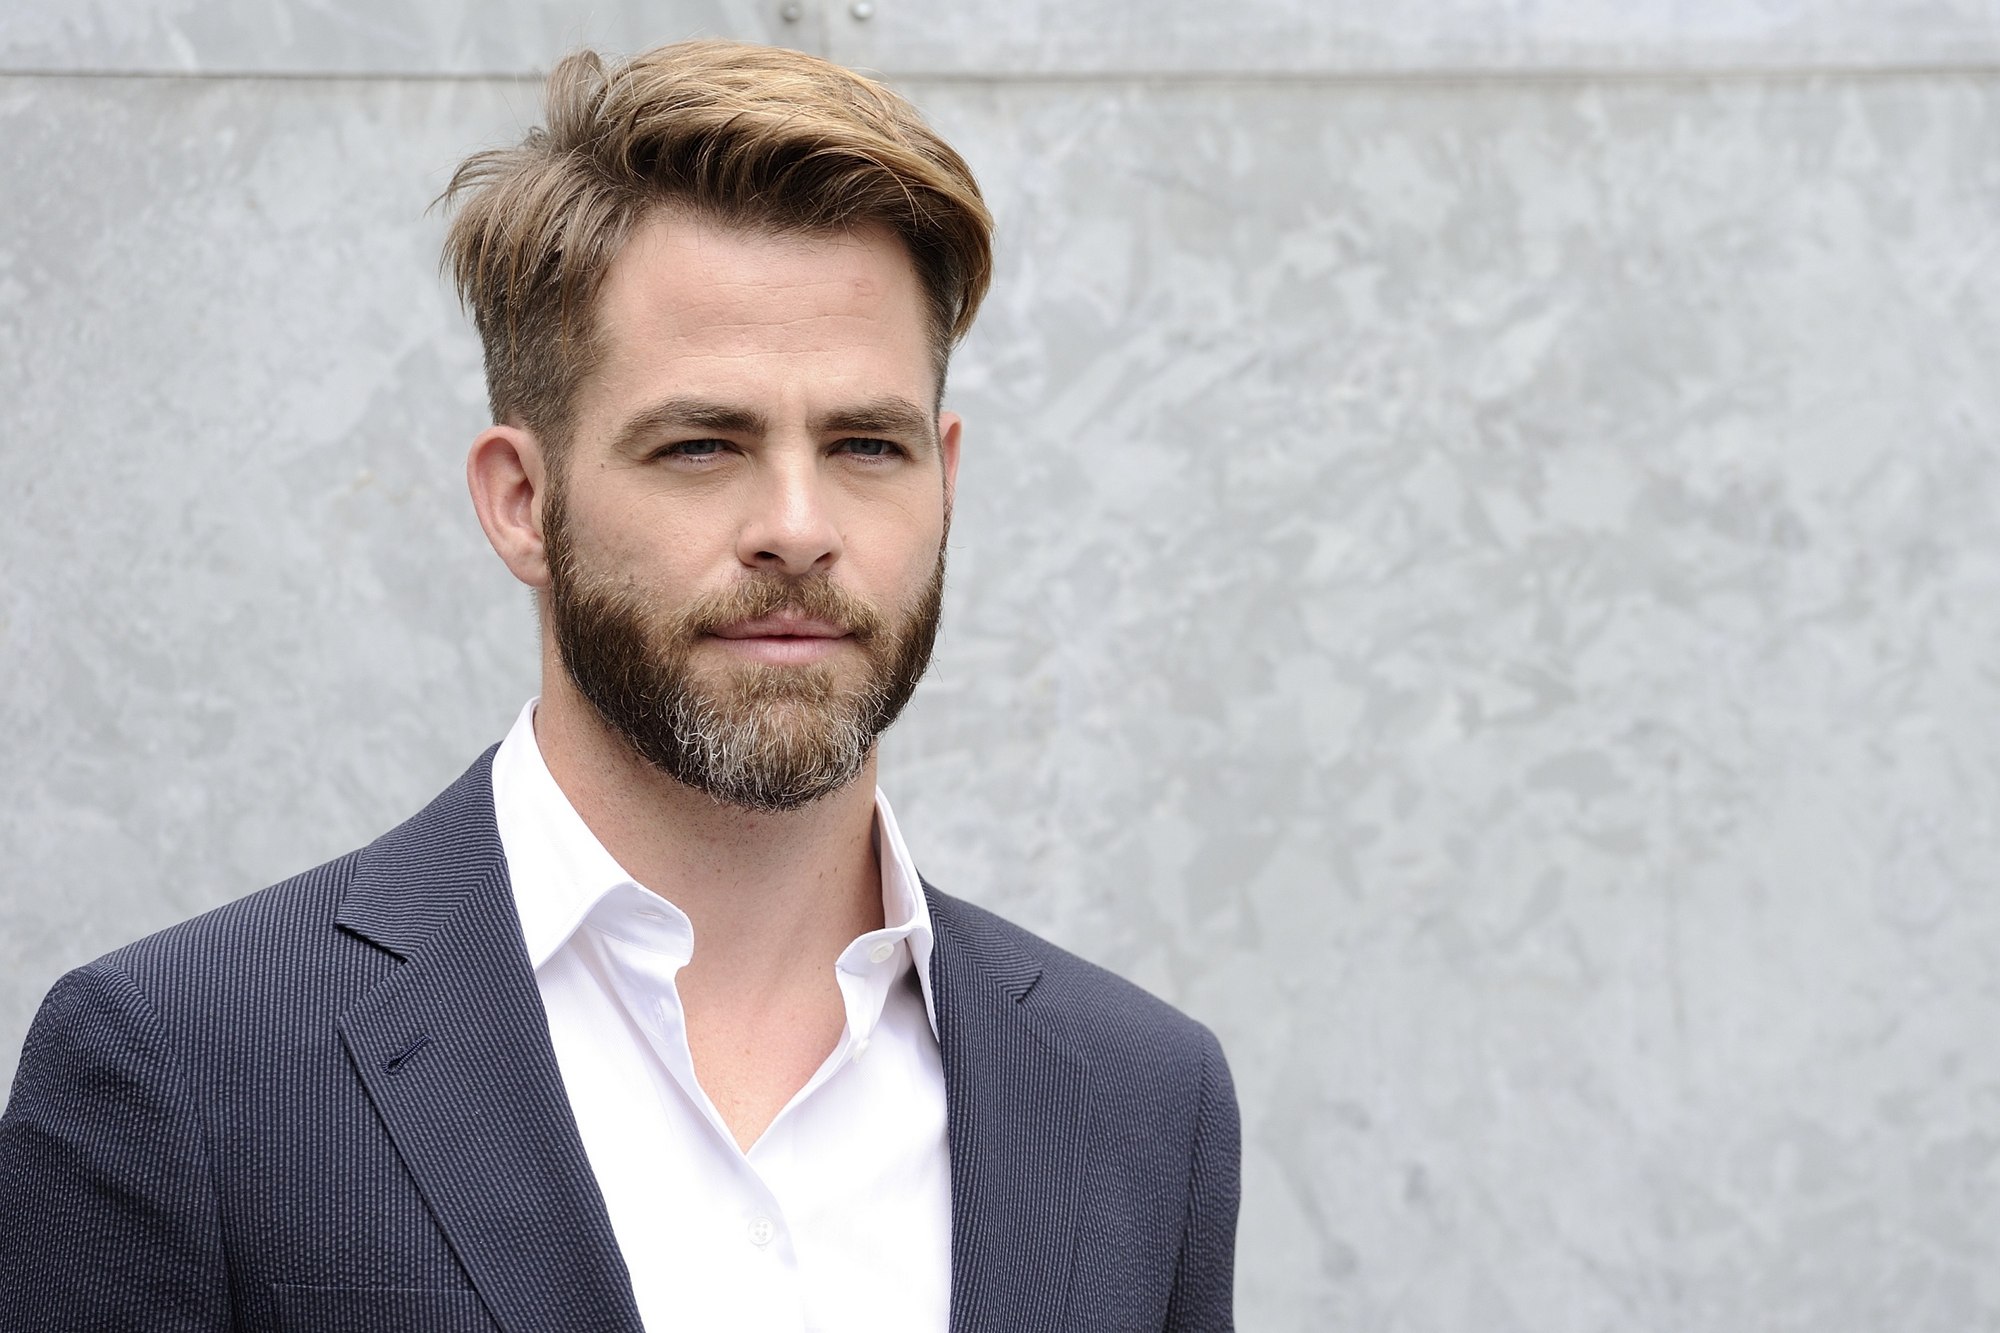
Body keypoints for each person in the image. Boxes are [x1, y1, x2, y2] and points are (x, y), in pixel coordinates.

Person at [0, 39, 1239, 1332]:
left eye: (868, 445)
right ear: (520, 502)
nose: (798, 527)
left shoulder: (1144, 1102)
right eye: (701, 444)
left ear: (947, 480)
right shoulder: (184, 1069)